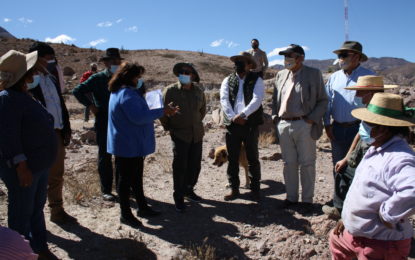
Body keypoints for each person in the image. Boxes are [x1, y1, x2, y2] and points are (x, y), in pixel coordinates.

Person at [329, 92, 415, 260]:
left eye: (366, 123)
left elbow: (412, 191)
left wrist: (387, 214)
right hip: (357, 235)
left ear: (382, 128)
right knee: (335, 241)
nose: (362, 127)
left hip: (380, 242)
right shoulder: (377, 148)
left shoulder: (399, 157)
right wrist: (348, 219)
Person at [0, 50, 58, 259]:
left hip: (38, 166)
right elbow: (8, 137)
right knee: (21, 212)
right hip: (25, 169)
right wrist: (21, 166)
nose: (35, 72)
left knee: (35, 207)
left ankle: (38, 248)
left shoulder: (24, 95)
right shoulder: (7, 99)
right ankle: (18, 253)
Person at [107, 62, 178, 227]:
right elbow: (139, 117)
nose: (139, 80)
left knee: (135, 178)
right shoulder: (126, 94)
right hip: (129, 144)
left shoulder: (119, 92)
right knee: (125, 181)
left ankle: (142, 207)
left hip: (129, 143)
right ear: (129, 77)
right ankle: (125, 214)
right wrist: (163, 111)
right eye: (138, 76)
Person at [322, 76, 397, 219]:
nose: (356, 95)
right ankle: (341, 208)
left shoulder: (382, 111)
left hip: (372, 150)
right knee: (343, 171)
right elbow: (360, 133)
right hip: (363, 147)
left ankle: (360, 213)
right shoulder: (369, 108)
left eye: (359, 92)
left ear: (371, 92)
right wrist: (346, 157)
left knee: (363, 181)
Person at [271, 44, 328, 213]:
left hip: (304, 123)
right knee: (289, 164)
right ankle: (291, 198)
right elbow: (275, 100)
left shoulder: (313, 74)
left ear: (301, 58)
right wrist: (275, 118)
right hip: (284, 124)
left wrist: (311, 119)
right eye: (285, 56)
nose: (286, 59)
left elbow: (323, 100)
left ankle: (307, 201)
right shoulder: (280, 75)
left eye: (290, 56)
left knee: (307, 163)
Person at [28, 42, 75, 225]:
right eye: (47, 59)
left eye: (51, 59)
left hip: (56, 132)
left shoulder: (51, 79)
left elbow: (59, 105)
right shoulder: (27, 81)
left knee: (56, 174)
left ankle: (57, 211)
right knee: (36, 177)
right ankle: (34, 219)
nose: (50, 62)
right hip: (37, 137)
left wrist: (65, 128)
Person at [324, 41, 375, 207]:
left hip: (359, 129)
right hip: (337, 128)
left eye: (344, 55)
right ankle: (339, 201)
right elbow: (327, 103)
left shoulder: (368, 77)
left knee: (358, 167)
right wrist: (327, 124)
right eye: (340, 55)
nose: (341, 59)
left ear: (357, 57)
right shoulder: (334, 77)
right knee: (337, 165)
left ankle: (356, 204)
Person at [73, 48, 123, 202]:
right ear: (105, 63)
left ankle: (123, 188)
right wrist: (91, 106)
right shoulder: (97, 78)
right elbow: (78, 91)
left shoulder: (124, 78)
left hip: (122, 122)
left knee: (122, 156)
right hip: (104, 121)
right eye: (111, 61)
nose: (115, 63)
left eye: (117, 61)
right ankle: (106, 190)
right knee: (105, 156)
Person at [160, 63, 206, 212]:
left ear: (193, 75)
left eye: (188, 72)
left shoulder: (199, 91)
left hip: (197, 134)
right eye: (182, 72)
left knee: (195, 166)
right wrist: (170, 128)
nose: (184, 74)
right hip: (179, 134)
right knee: (180, 167)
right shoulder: (170, 91)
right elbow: (162, 112)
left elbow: (202, 111)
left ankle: (188, 190)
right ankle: (178, 196)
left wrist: (195, 123)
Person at [220, 52, 264, 201]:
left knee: (252, 158)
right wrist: (233, 116)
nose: (239, 64)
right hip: (233, 125)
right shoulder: (227, 80)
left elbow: (257, 99)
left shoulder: (257, 80)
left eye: (242, 61)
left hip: (249, 124)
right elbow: (224, 99)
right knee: (232, 159)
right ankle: (234, 189)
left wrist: (244, 115)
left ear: (250, 65)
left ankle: (255, 190)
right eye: (237, 61)